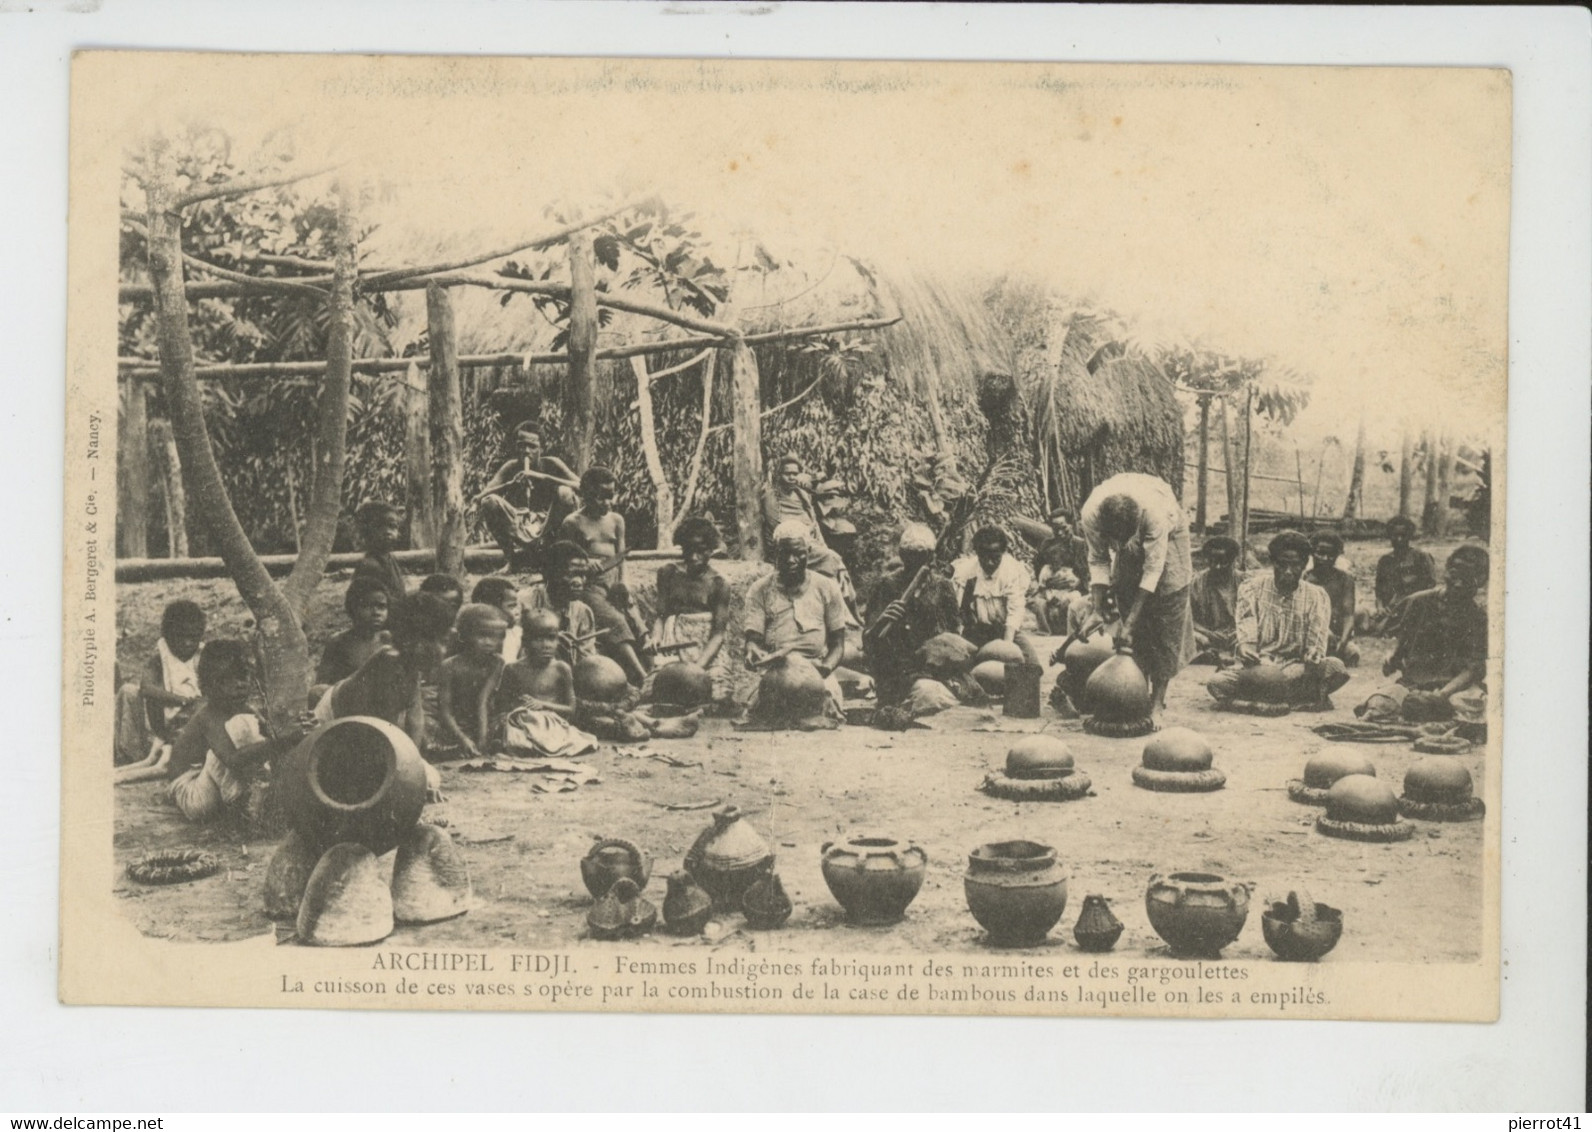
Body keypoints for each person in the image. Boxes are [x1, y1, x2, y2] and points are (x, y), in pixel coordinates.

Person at [313, 592, 457, 798]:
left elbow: (415, 715)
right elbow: (370, 728)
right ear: (416, 640)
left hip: (375, 734)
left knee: (428, 777)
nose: (444, 651)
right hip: (341, 731)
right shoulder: (387, 663)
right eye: (441, 642)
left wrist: (413, 761)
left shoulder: (410, 665)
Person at [1079, 471, 1196, 715]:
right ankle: (1136, 690)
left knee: (1167, 613)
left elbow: (1154, 569)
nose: (1121, 547)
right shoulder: (1091, 514)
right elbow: (1098, 559)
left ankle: (1157, 701)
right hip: (1127, 528)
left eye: (1126, 540)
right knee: (1125, 594)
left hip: (1171, 538)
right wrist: (1097, 609)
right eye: (1116, 541)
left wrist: (1130, 621)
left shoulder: (1155, 514)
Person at [1207, 530, 1350, 710]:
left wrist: (1313, 654)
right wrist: (1246, 651)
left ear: (1305, 564)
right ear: (1273, 562)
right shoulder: (1251, 589)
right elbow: (1247, 638)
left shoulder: (1317, 596)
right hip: (1259, 666)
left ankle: (1256, 702)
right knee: (1216, 683)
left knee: (1336, 667)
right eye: (1282, 565)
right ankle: (1291, 700)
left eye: (1295, 565)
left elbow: (1316, 645)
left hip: (1295, 667)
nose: (1288, 572)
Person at [161, 641, 291, 822]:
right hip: (191, 794)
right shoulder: (208, 715)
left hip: (210, 786)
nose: (240, 685)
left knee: (255, 731)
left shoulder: (246, 709)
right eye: (226, 680)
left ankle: (257, 801)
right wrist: (280, 742)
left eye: (244, 676)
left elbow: (269, 737)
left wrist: (283, 736)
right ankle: (242, 808)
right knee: (237, 735)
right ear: (209, 687)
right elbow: (233, 760)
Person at [742, 520, 849, 720]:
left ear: (809, 552)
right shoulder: (760, 590)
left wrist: (825, 668)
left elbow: (838, 644)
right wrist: (753, 651)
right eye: (784, 553)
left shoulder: (827, 587)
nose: (791, 560)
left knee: (823, 708)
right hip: (776, 672)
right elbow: (753, 640)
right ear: (775, 553)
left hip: (816, 669)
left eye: (798, 553)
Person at [559, 466, 648, 685]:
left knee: (636, 617)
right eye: (600, 498)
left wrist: (624, 585)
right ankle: (642, 677)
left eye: (610, 497)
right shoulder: (573, 523)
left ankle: (653, 668)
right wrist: (588, 563)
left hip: (614, 582)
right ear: (586, 495)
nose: (607, 503)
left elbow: (621, 557)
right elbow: (566, 559)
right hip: (589, 586)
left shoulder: (616, 520)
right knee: (616, 620)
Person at [1382, 543, 1489, 724]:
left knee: (1470, 708)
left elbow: (1474, 668)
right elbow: (1401, 646)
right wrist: (1391, 657)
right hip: (1413, 685)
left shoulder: (1478, 616)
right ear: (1446, 571)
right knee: (1379, 705)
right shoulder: (1417, 601)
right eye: (1454, 575)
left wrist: (1441, 694)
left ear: (1481, 581)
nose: (1458, 583)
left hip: (1454, 689)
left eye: (1467, 579)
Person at [864, 522, 961, 707]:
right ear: (902, 556)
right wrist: (882, 621)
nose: (917, 565)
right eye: (911, 558)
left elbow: (954, 633)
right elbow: (869, 640)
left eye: (922, 558)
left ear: (931, 558)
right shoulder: (886, 585)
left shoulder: (943, 586)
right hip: (898, 669)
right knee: (925, 695)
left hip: (936, 667)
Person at [649, 517, 733, 706]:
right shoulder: (668, 573)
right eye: (688, 550)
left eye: (701, 551)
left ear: (711, 550)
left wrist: (697, 669)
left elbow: (718, 635)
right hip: (675, 644)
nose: (694, 557)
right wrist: (656, 637)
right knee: (655, 690)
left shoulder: (719, 583)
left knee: (718, 694)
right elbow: (661, 617)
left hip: (706, 649)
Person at [477, 422, 580, 573]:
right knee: (489, 502)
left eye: (532, 447)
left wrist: (543, 477)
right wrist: (510, 484)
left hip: (549, 525)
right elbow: (485, 494)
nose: (526, 451)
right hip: (521, 524)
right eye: (521, 445)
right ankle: (511, 561)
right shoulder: (511, 466)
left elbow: (582, 486)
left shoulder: (552, 463)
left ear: (541, 448)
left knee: (566, 493)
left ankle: (560, 560)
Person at [113, 599, 205, 766]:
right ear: (168, 635)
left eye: (192, 638)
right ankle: (133, 755)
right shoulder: (160, 658)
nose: (187, 643)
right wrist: (182, 701)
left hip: (189, 728)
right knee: (128, 691)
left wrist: (194, 704)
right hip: (159, 729)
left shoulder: (202, 658)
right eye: (181, 637)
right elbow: (147, 688)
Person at [951, 526, 1042, 667]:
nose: (989, 563)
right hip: (976, 631)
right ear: (977, 554)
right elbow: (959, 611)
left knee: (1031, 666)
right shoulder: (966, 572)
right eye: (984, 557)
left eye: (995, 557)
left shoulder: (1011, 571)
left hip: (1005, 629)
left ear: (1002, 553)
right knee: (961, 665)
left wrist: (1006, 647)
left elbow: (1015, 611)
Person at [434, 603, 511, 759]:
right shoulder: (449, 666)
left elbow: (482, 701)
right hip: (454, 723)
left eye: (495, 636)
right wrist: (463, 738)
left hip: (483, 721)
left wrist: (483, 740)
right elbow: (445, 711)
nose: (489, 642)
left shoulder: (497, 663)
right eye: (482, 635)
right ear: (465, 635)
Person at [521, 540, 601, 666]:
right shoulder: (525, 602)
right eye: (572, 574)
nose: (579, 582)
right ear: (551, 574)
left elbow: (586, 659)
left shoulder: (582, 612)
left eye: (583, 575)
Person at [497, 610, 577, 721]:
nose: (546, 645)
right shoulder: (512, 669)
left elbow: (571, 708)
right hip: (522, 722)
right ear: (525, 642)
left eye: (551, 638)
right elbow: (502, 706)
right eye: (538, 639)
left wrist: (542, 705)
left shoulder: (561, 668)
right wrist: (519, 706)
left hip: (553, 725)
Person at [315, 577, 392, 686]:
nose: (376, 613)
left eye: (381, 607)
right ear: (353, 608)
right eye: (367, 606)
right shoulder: (339, 642)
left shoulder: (389, 641)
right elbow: (321, 686)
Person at [1371, 516, 1437, 633]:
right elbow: (1379, 591)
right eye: (1395, 535)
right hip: (1390, 607)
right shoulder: (1385, 561)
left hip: (1414, 605)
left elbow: (1430, 585)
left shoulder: (1421, 557)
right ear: (1390, 536)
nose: (1399, 539)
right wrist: (1380, 608)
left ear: (1409, 536)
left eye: (1403, 535)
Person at [1307, 531, 1360, 666]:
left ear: (1337, 555)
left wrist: (1343, 641)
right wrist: (1324, 631)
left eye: (1331, 555)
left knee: (1352, 653)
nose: (1325, 558)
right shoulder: (1304, 579)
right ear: (1312, 552)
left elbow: (1348, 615)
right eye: (1320, 553)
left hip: (1335, 636)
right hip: (1311, 633)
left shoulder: (1345, 579)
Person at [1188, 535, 1243, 665]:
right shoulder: (1196, 583)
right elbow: (1187, 617)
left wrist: (1240, 632)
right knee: (1187, 637)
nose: (1217, 567)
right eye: (1212, 562)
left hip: (1238, 634)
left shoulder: (1245, 582)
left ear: (1234, 561)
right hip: (1207, 634)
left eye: (1223, 562)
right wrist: (1204, 634)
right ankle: (1211, 654)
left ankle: (1220, 655)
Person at [350, 501, 408, 604]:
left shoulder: (390, 559)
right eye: (379, 527)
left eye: (392, 526)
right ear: (367, 531)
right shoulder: (370, 565)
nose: (388, 532)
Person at [470, 576, 523, 663]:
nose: (518, 612)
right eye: (511, 606)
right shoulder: (473, 638)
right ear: (491, 608)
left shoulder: (517, 634)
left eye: (517, 606)